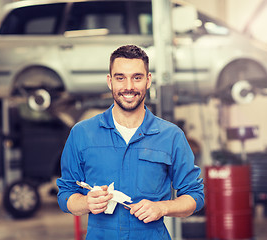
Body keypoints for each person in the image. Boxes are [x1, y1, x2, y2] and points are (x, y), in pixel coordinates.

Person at [57, 45, 204, 239]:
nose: (129, 87)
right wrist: (86, 203)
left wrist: (162, 207)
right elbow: (66, 194)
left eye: (137, 77)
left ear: (148, 80)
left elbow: (195, 196)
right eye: (120, 78)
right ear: (110, 82)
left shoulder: (171, 136)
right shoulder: (82, 134)